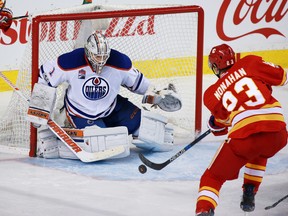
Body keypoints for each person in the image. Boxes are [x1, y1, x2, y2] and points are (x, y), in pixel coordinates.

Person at [27, 31, 181, 160]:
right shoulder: (71, 61)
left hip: (113, 108)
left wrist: (157, 94)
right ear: (88, 52)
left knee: (153, 131)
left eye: (104, 57)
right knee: (104, 144)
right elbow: (45, 75)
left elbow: (139, 84)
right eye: (97, 57)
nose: (101, 61)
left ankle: (107, 129)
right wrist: (39, 107)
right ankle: (56, 144)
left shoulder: (119, 62)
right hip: (81, 113)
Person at [195, 44, 288, 215]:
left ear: (215, 67)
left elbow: (221, 124)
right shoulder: (250, 62)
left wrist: (213, 124)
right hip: (278, 133)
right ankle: (250, 191)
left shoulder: (211, 94)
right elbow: (282, 76)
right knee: (260, 149)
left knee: (213, 177)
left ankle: (204, 210)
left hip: (245, 137)